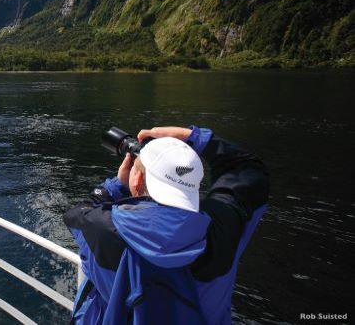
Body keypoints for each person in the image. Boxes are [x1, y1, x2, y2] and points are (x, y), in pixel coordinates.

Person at [64, 125, 269, 324]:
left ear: (137, 180)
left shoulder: (100, 228)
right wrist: (194, 137)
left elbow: (76, 214)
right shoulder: (224, 227)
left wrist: (117, 186)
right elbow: (248, 169)